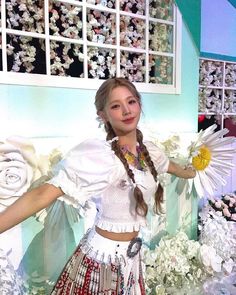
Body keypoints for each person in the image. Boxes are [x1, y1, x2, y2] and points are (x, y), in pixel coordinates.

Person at [0, 77, 196, 294]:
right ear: (103, 115)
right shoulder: (99, 156)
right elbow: (41, 195)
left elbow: (175, 168)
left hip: (132, 260)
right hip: (100, 261)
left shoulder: (150, 152)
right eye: (115, 106)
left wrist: (196, 166)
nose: (126, 110)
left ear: (139, 104)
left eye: (131, 102)